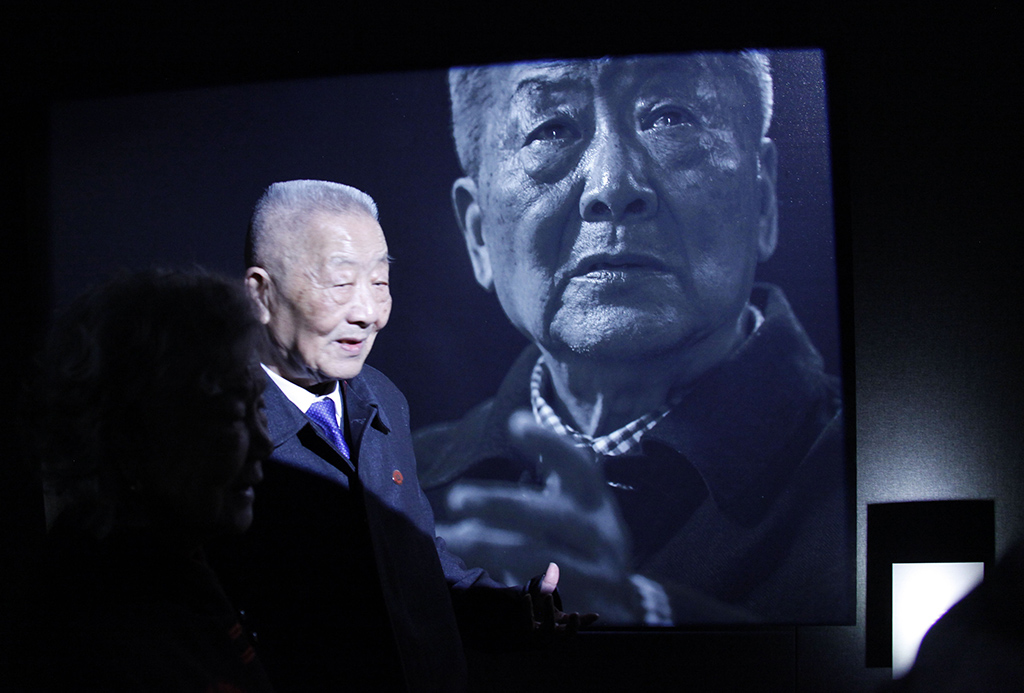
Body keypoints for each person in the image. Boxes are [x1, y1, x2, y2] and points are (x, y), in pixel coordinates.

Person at [414, 51, 853, 625]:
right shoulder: (398, 492)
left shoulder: (871, 467)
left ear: (763, 195)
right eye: (551, 129)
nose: (613, 186)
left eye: (671, 118)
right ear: (477, 235)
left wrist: (641, 615)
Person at [207, 179, 589, 693]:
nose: (369, 313)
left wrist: (508, 610)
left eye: (381, 282)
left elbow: (412, 561)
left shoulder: (381, 398)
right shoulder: (212, 433)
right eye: (341, 284)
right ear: (261, 293)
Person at [11, 269, 274, 692]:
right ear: (129, 432)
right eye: (227, 414)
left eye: (258, 406)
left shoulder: (183, 565)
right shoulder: (93, 636)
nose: (265, 443)